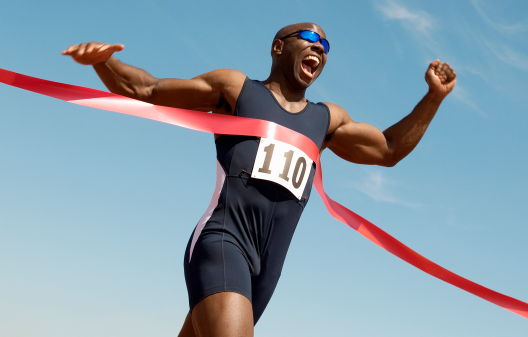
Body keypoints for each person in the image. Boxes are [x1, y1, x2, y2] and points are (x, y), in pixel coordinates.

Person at [62, 22, 456, 337]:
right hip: (223, 241)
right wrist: (103, 63)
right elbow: (147, 89)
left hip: (266, 269)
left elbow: (387, 150)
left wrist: (433, 98)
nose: (319, 47)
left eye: (326, 45)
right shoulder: (236, 89)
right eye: (310, 38)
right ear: (278, 47)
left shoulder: (327, 120)